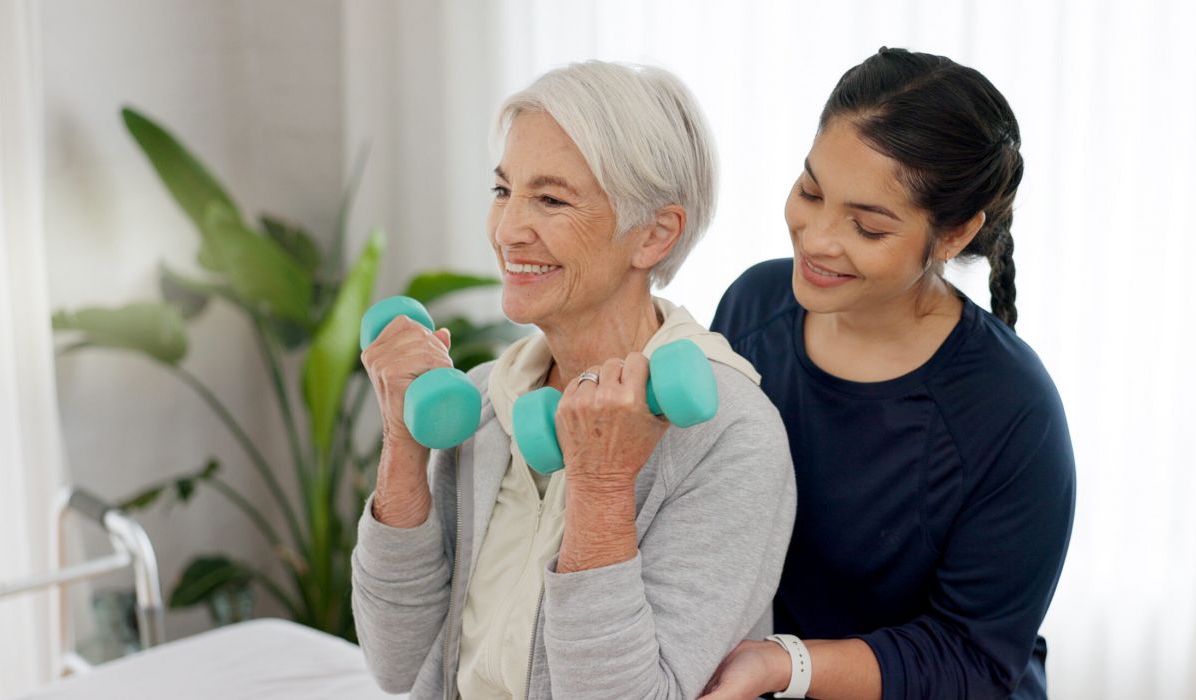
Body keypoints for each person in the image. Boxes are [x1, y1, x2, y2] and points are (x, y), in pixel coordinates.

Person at [351, 60, 797, 700]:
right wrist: (401, 443)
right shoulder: (483, 400)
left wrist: (602, 485)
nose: (507, 231)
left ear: (654, 234)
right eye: (503, 190)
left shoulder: (731, 435)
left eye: (551, 199)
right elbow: (397, 664)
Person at [701, 48, 1076, 700]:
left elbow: (973, 659)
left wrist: (782, 664)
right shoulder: (753, 308)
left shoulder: (1012, 411)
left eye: (868, 226)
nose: (815, 238)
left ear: (955, 234)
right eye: (811, 191)